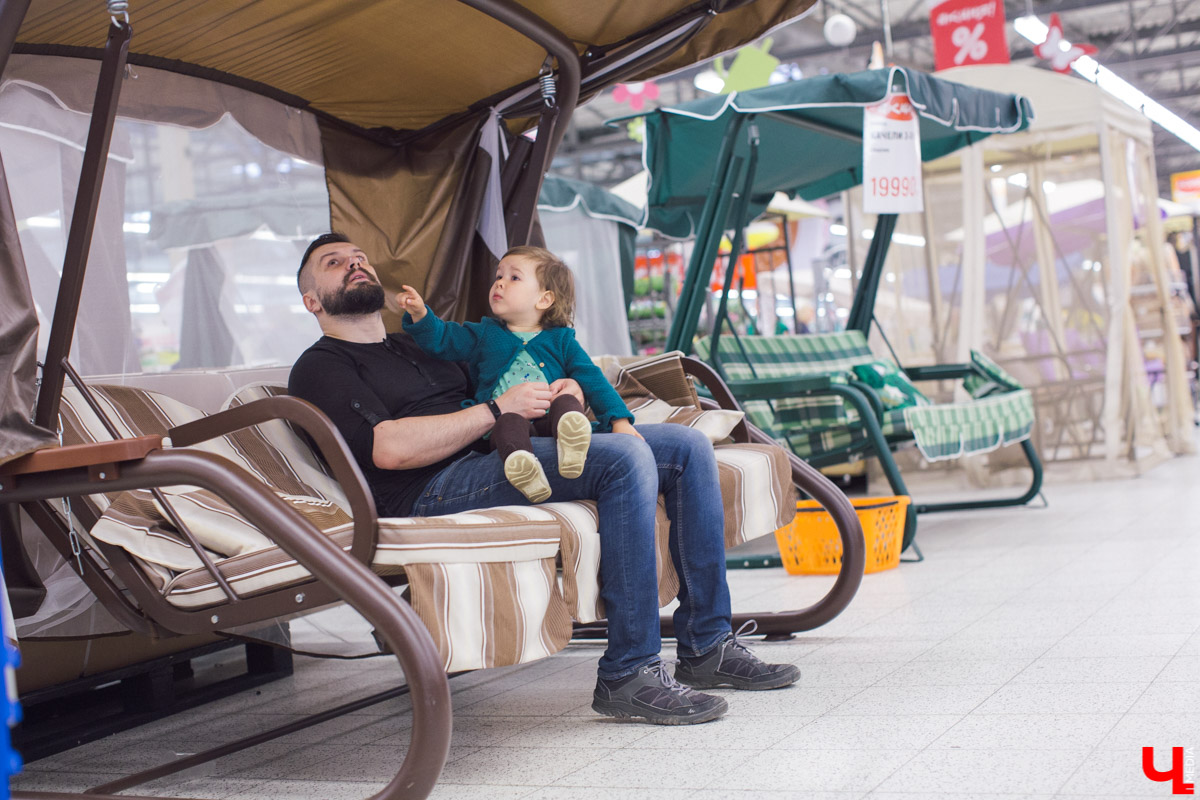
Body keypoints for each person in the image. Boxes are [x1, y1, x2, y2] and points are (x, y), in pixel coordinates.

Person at [289, 232, 800, 725]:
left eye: (359, 256)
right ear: (312, 302)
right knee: (623, 459)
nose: (355, 263)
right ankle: (629, 671)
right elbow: (389, 449)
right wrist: (498, 410)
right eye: (335, 262)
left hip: (501, 452)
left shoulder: (416, 346)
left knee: (687, 447)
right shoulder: (320, 366)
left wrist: (563, 389)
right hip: (432, 487)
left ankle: (708, 645)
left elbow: (507, 373)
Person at [395, 246, 637, 504]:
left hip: (550, 420)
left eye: (514, 277)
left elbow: (593, 379)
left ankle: (571, 447)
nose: (499, 283)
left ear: (544, 299)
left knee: (566, 403)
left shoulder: (562, 340)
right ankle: (523, 468)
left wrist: (619, 421)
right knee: (507, 423)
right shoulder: (485, 334)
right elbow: (444, 339)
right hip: (509, 423)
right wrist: (421, 315)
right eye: (499, 276)